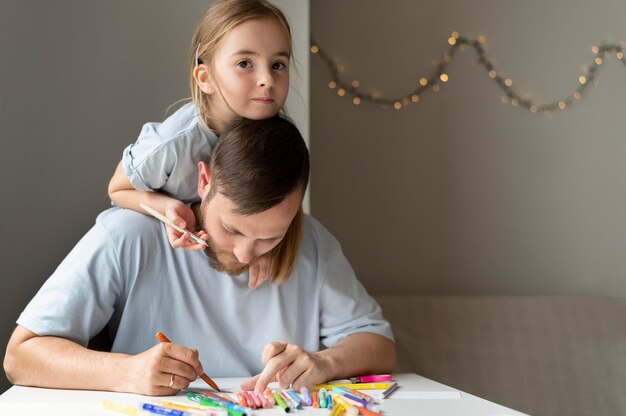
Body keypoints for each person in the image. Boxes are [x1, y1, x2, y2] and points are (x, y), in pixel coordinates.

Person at [3, 116, 396, 396]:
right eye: (233, 229)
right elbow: (20, 356)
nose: (244, 253)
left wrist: (326, 363)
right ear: (204, 181)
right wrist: (128, 372)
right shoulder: (129, 234)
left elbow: (379, 346)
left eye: (270, 238)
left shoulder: (313, 243)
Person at [108, 0, 294, 288]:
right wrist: (167, 206)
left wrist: (265, 246)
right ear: (205, 77)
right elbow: (117, 188)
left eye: (278, 64)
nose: (267, 79)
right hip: (164, 255)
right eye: (245, 63)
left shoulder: (275, 139)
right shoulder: (171, 144)